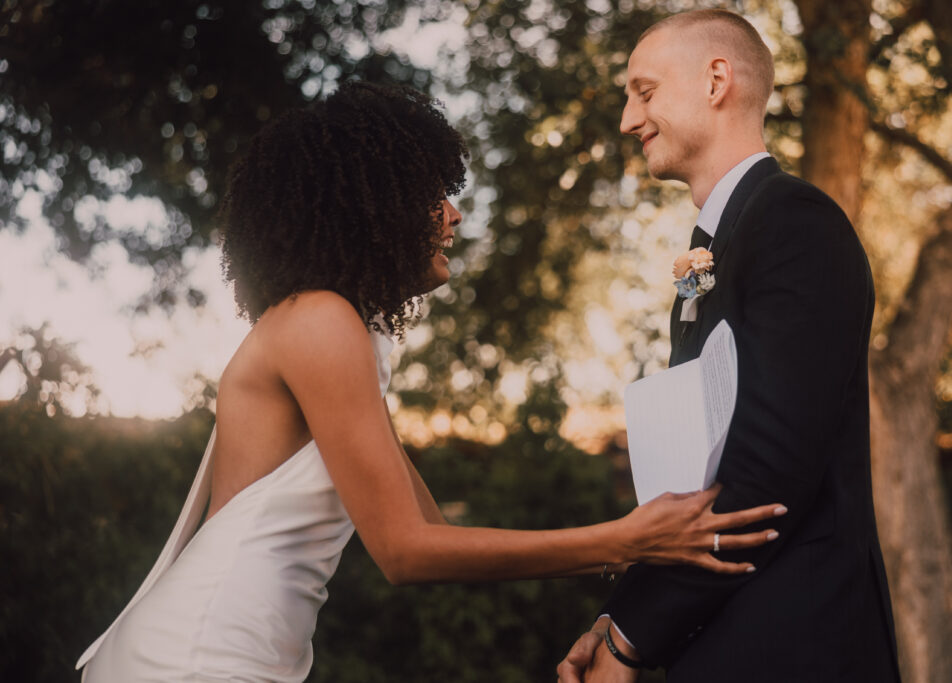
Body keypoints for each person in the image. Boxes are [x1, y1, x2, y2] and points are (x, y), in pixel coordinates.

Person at [75, 81, 785, 682]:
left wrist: (626, 579)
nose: (453, 215)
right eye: (430, 195)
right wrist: (625, 540)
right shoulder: (319, 323)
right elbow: (405, 552)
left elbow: (437, 535)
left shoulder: (335, 331)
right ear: (371, 206)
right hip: (199, 654)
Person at [557, 9, 901, 683]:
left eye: (644, 91)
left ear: (717, 80)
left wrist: (628, 640)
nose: (628, 119)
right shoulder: (714, 248)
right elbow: (696, 480)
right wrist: (615, 615)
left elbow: (765, 474)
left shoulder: (795, 223)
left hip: (800, 645)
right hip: (723, 641)